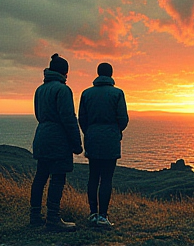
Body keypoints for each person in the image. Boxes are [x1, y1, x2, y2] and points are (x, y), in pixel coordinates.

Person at [30, 53, 83, 232]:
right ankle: (53, 219)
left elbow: (38, 114)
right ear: (64, 73)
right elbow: (68, 118)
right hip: (58, 140)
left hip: (42, 136)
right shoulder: (63, 90)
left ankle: (35, 216)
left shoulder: (40, 89)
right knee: (57, 178)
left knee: (40, 177)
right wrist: (77, 143)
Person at [78, 62, 129, 227]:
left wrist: (90, 131)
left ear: (98, 73)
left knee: (93, 176)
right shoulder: (117, 93)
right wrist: (115, 130)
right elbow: (123, 119)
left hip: (92, 137)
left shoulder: (86, 93)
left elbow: (82, 119)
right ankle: (103, 216)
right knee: (107, 178)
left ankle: (92, 213)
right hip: (110, 139)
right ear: (111, 74)